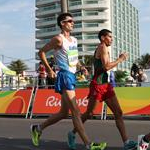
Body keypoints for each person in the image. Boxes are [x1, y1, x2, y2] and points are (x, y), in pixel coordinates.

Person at [30, 13, 106, 150]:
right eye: (69, 21)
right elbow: (41, 52)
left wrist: (81, 67)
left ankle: (38, 128)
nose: (73, 23)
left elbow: (73, 58)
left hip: (72, 76)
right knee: (76, 112)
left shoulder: (74, 40)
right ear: (62, 23)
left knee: (64, 113)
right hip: (64, 75)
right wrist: (49, 70)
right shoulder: (58, 39)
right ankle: (88, 144)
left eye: (73, 21)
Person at [67, 29, 137, 150]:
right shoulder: (102, 47)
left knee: (118, 113)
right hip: (98, 85)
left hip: (106, 85)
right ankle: (72, 133)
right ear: (103, 38)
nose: (112, 39)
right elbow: (106, 67)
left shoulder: (105, 48)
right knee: (89, 113)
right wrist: (121, 59)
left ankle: (126, 142)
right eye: (110, 37)